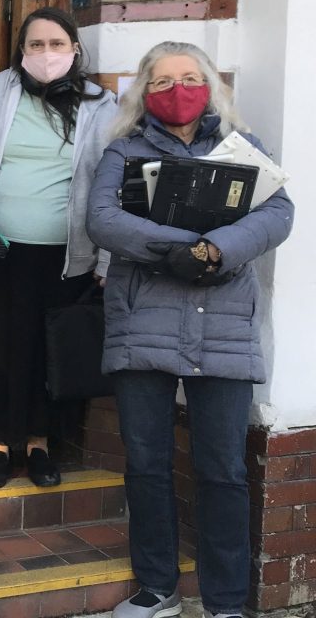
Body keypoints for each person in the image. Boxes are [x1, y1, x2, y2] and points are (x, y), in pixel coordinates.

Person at [86, 41, 293, 618]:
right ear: (143, 94)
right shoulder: (123, 152)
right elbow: (102, 219)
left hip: (223, 325)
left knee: (223, 469)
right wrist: (184, 248)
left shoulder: (241, 148)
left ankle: (226, 602)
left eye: (189, 77)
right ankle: (158, 589)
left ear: (209, 84)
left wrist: (215, 250)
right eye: (161, 82)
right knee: (146, 464)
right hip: (142, 323)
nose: (177, 91)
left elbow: (279, 213)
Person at [0, 6, 117, 489]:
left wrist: (108, 259)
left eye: (56, 45)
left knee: (45, 352)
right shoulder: (1, 89)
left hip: (64, 255)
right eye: (36, 45)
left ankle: (39, 444)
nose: (46, 54)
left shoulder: (101, 106)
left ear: (75, 50)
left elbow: (114, 185)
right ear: (22, 51)